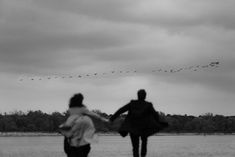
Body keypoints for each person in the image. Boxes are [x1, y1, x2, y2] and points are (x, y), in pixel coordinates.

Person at [110, 89, 168, 157]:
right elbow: (155, 115)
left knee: (135, 147)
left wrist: (111, 119)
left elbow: (121, 110)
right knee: (144, 143)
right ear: (145, 96)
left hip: (133, 128)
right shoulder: (148, 105)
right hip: (144, 129)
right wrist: (159, 123)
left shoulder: (132, 104)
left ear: (137, 95)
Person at [59, 93, 108, 157]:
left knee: (70, 143)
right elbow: (92, 114)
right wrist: (103, 119)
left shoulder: (71, 107)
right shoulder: (82, 109)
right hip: (78, 126)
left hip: (70, 124)